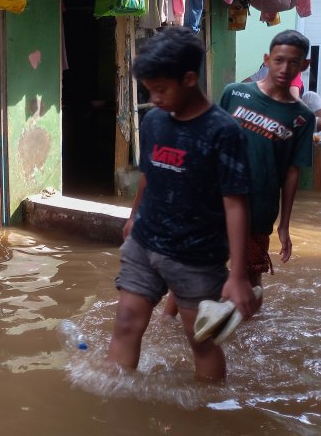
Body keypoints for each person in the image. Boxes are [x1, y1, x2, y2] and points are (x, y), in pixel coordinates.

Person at [108, 27, 258, 382]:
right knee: (126, 321)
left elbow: (236, 204)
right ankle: (112, 406)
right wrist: (133, 218)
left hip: (197, 256)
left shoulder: (223, 131)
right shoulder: (154, 120)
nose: (154, 98)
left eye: (161, 90)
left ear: (189, 79)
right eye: (149, 91)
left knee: (201, 341)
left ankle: (208, 415)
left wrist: (237, 275)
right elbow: (150, 173)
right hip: (145, 242)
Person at [219, 30, 315, 291]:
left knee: (251, 277)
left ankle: (252, 330)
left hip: (259, 209)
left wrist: (284, 224)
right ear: (267, 59)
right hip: (216, 200)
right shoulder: (234, 93)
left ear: (304, 65)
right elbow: (211, 142)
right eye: (278, 60)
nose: (285, 68)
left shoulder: (303, 117)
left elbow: (292, 171)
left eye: (293, 62)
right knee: (196, 269)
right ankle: (169, 325)